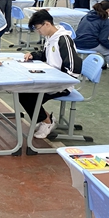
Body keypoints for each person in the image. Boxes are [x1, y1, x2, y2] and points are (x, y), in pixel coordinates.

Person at [21, 9, 82, 138]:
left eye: (38, 28)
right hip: (50, 78)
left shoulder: (63, 39)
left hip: (63, 84)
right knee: (23, 91)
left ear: (47, 24)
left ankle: (47, 122)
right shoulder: (50, 38)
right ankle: (46, 118)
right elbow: (46, 54)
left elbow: (74, 67)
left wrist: (60, 82)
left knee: (28, 96)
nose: (38, 32)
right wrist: (33, 55)